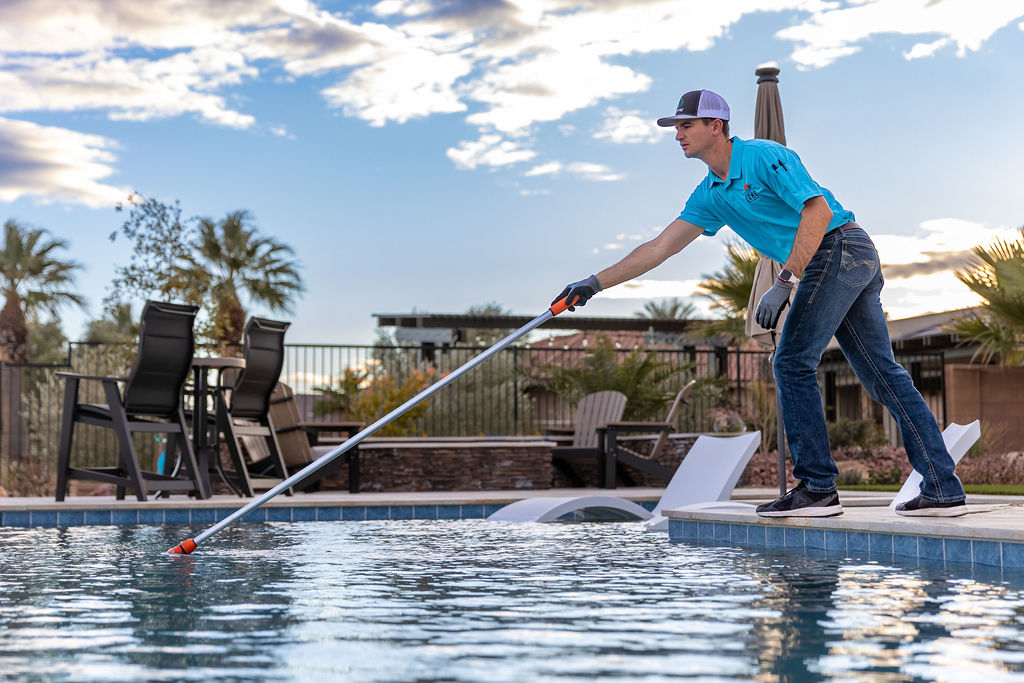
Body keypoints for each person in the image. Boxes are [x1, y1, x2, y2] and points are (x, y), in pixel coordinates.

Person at [553, 89, 966, 518]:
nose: (677, 134)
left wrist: (784, 280)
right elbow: (659, 247)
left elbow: (818, 212)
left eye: (685, 125)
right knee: (883, 375)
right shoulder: (711, 193)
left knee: (790, 361)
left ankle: (818, 488)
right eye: (675, 127)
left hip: (840, 248)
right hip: (835, 259)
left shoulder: (764, 156)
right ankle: (942, 487)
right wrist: (595, 283)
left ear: (717, 126)